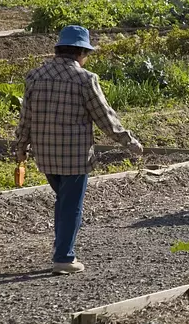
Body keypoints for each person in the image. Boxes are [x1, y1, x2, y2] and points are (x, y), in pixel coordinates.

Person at [12, 25, 143, 275]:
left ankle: (61, 247)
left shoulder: (35, 76)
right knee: (71, 205)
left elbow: (25, 117)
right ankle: (63, 257)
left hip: (45, 154)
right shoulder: (85, 79)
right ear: (81, 52)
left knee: (63, 201)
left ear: (59, 49)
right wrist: (129, 141)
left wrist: (21, 148)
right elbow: (105, 117)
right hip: (75, 156)